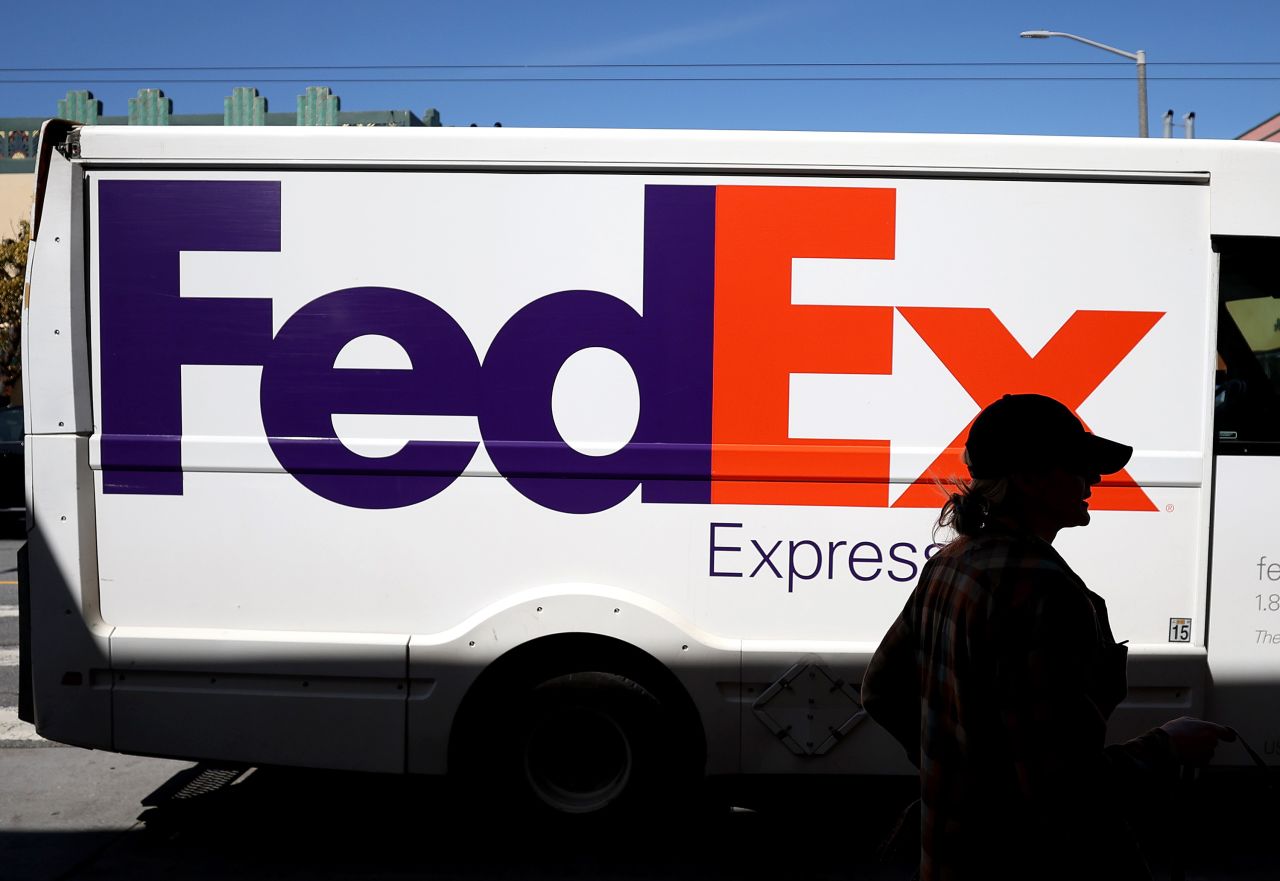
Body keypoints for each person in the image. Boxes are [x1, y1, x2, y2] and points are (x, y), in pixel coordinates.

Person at [861, 393, 1233, 881]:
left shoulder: (949, 565)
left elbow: (880, 692)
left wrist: (956, 771)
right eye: (1077, 467)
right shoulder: (1041, 592)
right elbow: (1063, 789)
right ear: (1029, 479)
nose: (1094, 480)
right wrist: (1168, 747)